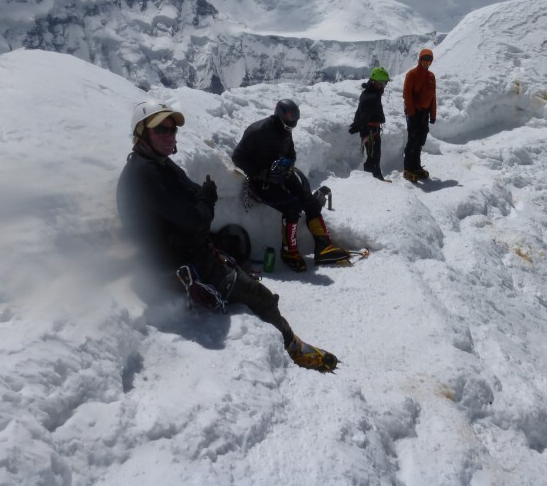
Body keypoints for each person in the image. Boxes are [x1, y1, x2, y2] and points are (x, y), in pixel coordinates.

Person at [117, 100, 337, 372]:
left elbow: (192, 192)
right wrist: (206, 200)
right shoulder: (146, 175)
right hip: (177, 265)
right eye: (160, 129)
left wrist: (201, 200)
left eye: (172, 130)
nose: (169, 135)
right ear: (141, 133)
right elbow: (197, 217)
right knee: (261, 296)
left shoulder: (157, 165)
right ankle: (293, 348)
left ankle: (250, 298)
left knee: (236, 255)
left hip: (181, 250)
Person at [232, 99, 350, 272]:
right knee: (292, 207)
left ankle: (323, 247)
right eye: (288, 125)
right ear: (279, 116)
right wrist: (261, 173)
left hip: (282, 175)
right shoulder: (257, 131)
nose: (290, 128)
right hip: (260, 182)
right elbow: (238, 157)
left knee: (308, 201)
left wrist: (287, 164)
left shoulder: (285, 131)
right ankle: (289, 253)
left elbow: (291, 153)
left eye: (293, 125)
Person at [349, 67, 390, 181]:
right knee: (374, 157)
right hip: (370, 131)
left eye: (385, 83)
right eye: (382, 83)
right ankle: (374, 179)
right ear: (375, 82)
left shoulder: (369, 93)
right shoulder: (372, 96)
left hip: (369, 130)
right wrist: (358, 125)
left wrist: (357, 125)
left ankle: (374, 177)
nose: (384, 86)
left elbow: (360, 112)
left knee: (373, 156)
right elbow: (365, 115)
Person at [402, 48, 437, 180]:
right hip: (414, 113)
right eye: (424, 61)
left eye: (429, 62)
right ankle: (407, 168)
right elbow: (407, 95)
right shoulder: (412, 74)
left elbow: (433, 97)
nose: (426, 64)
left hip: (425, 113)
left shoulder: (431, 76)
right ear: (420, 60)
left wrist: (433, 114)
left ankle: (416, 167)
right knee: (413, 139)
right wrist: (411, 113)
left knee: (420, 140)